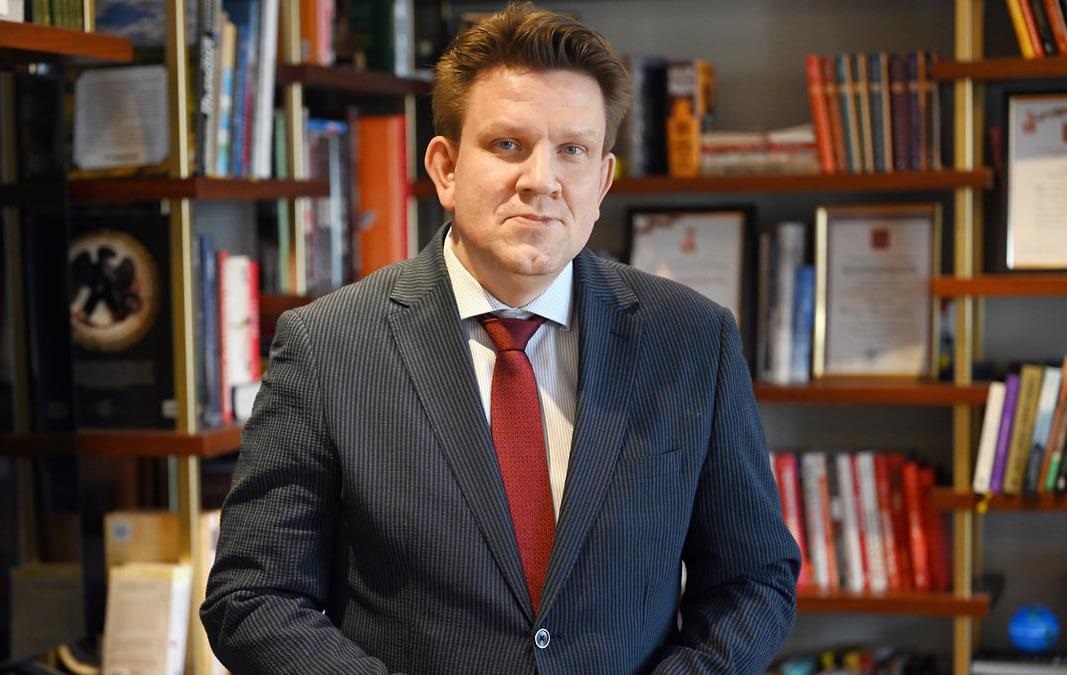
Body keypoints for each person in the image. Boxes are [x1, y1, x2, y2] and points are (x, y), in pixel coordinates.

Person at [201, 3, 800, 673]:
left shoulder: (691, 340)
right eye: (508, 145)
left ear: (602, 180)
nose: (541, 180)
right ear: (445, 168)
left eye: (572, 150)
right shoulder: (327, 346)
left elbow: (753, 580)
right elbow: (252, 597)